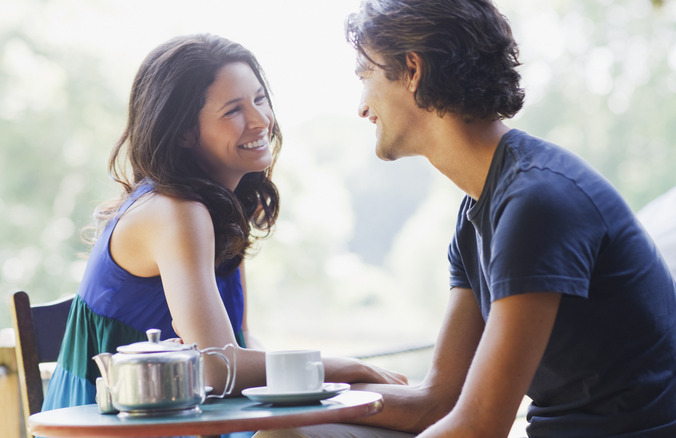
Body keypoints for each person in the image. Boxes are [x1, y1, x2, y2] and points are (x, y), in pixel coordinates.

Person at [255, 1, 676, 437]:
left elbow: (479, 425)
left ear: (413, 71)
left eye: (366, 77)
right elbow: (439, 401)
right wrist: (304, 396)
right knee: (290, 432)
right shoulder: (477, 213)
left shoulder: (537, 202)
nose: (362, 107)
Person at [41, 33, 406, 419]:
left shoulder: (217, 211)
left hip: (194, 416)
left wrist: (337, 374)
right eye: (233, 110)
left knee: (381, 403)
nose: (260, 120)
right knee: (375, 402)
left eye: (260, 100)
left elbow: (240, 343)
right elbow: (218, 367)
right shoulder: (176, 212)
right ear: (183, 133)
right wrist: (346, 366)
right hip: (122, 426)